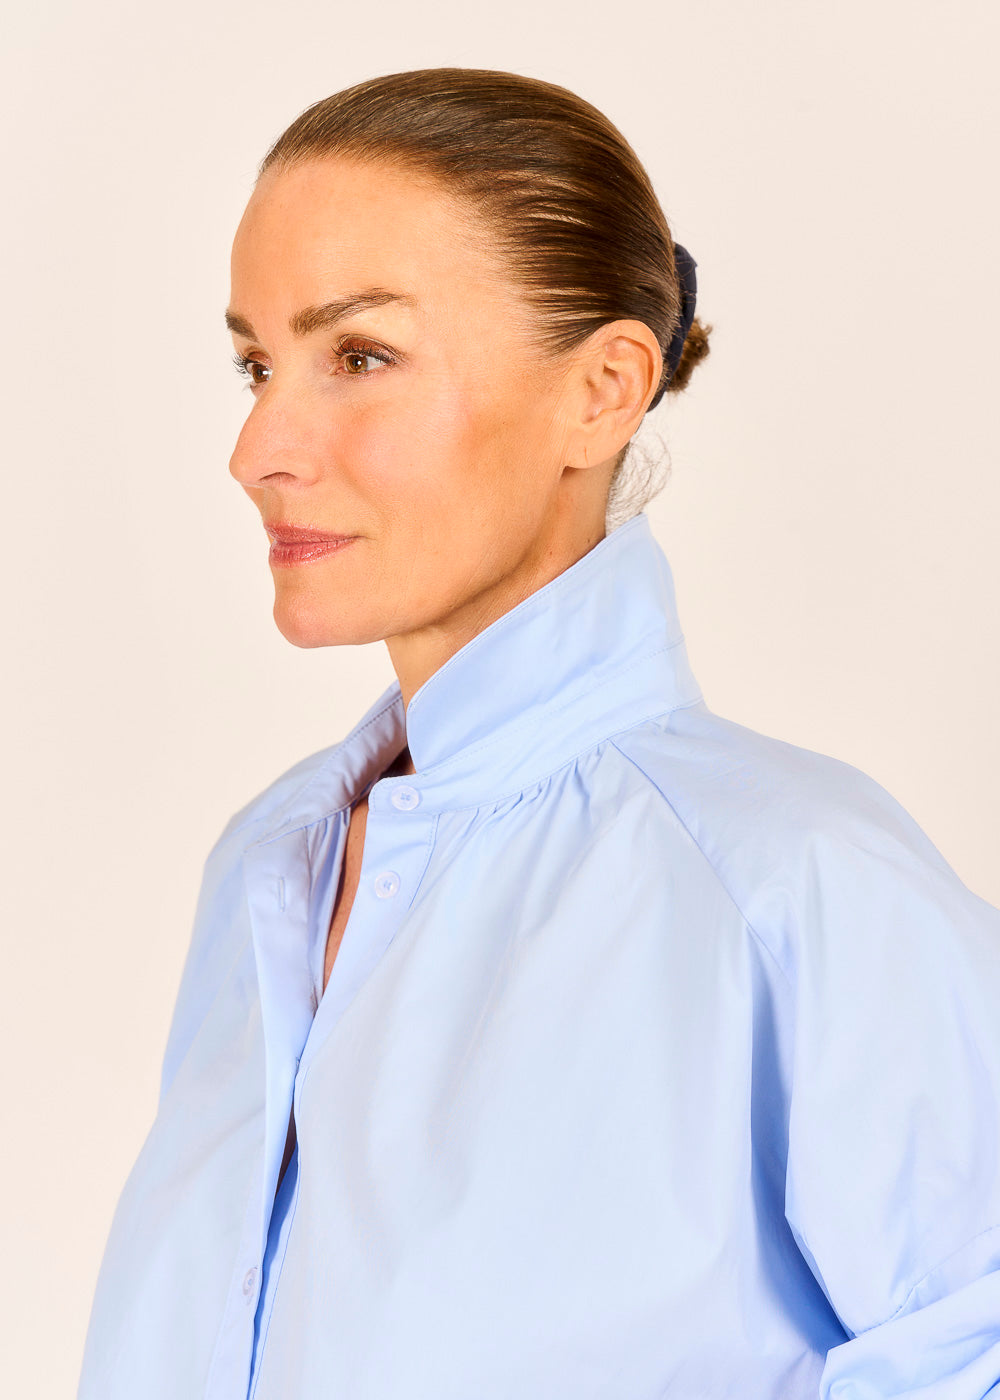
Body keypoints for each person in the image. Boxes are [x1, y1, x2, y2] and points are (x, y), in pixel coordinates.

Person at [77, 67, 1000, 1400]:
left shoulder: (792, 879)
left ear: (603, 391)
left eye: (360, 357)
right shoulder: (269, 864)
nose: (257, 446)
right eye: (257, 364)